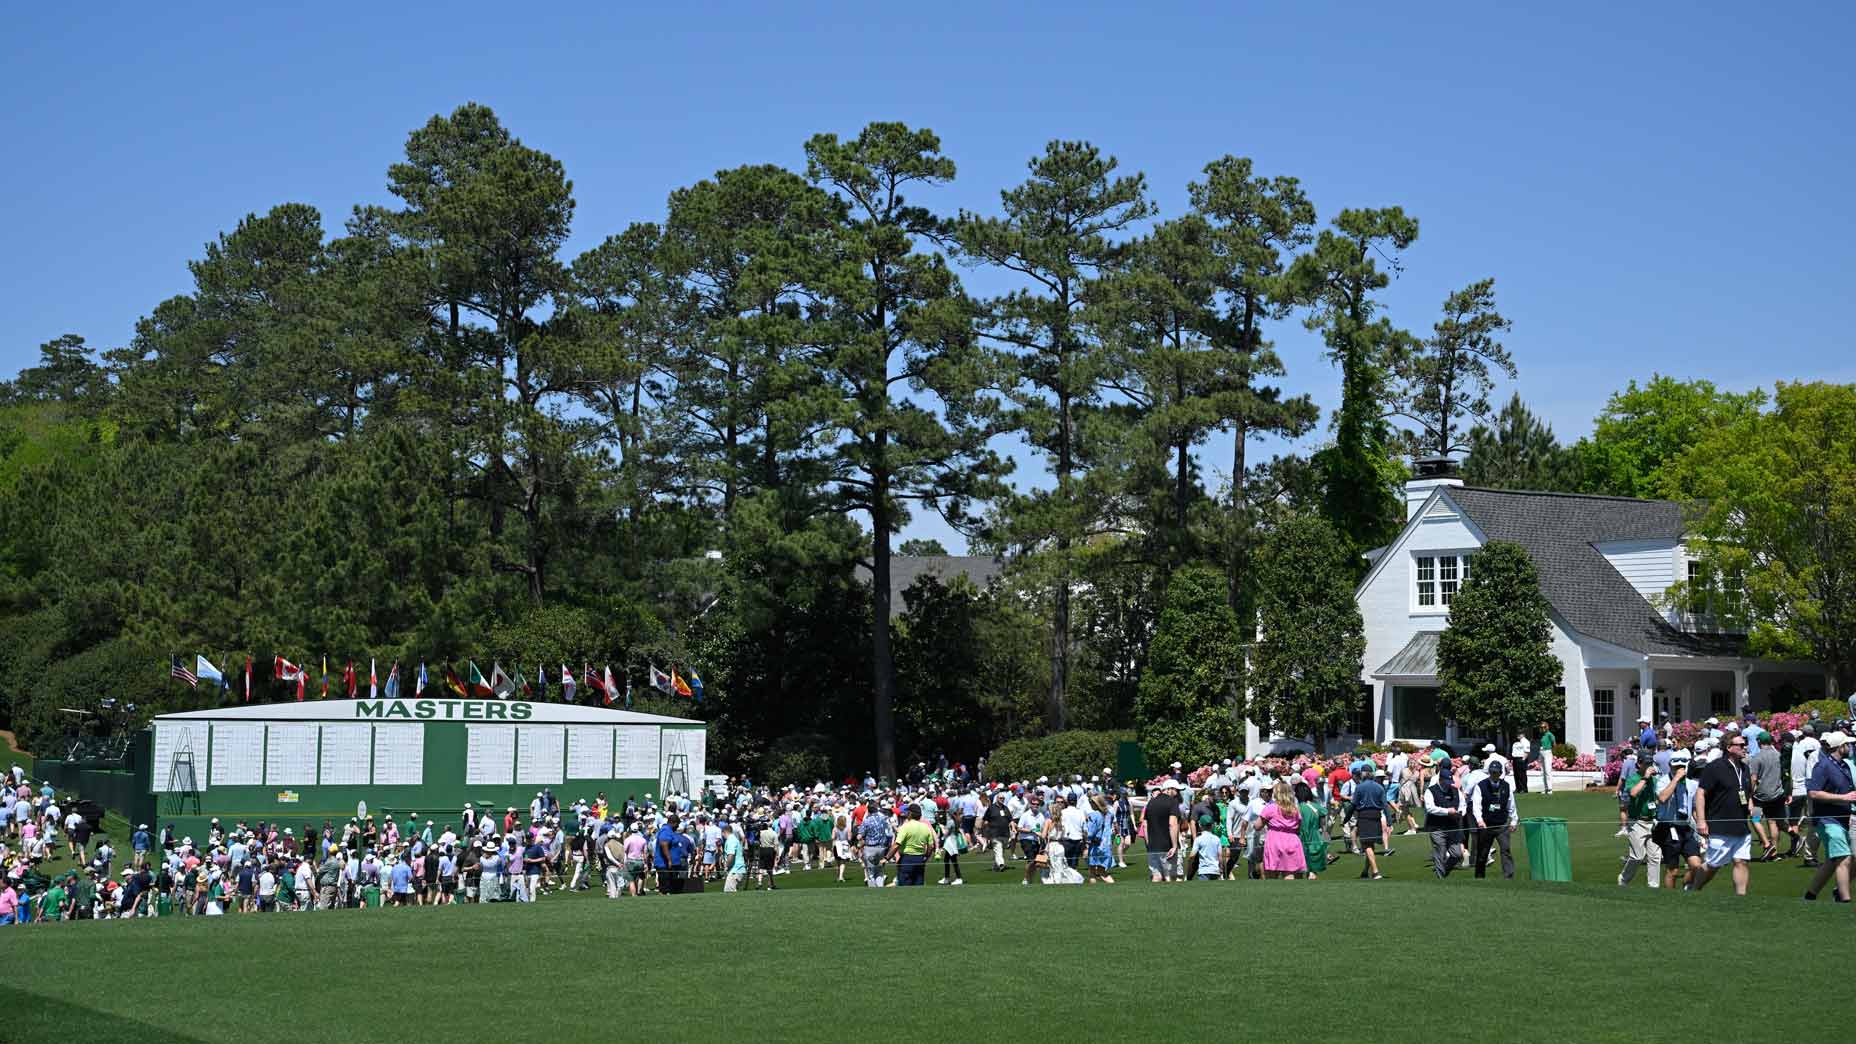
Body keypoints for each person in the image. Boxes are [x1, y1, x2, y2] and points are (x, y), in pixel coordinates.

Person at [1692, 730, 1755, 895]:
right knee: (1713, 864)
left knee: (1741, 861)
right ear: (1729, 747)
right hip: (1720, 825)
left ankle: (1741, 897)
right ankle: (1693, 890)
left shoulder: (1744, 768)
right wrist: (1701, 821)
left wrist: (1750, 803)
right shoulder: (1714, 767)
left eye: (1745, 744)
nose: (1745, 747)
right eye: (1741, 745)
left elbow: (1747, 791)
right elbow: (1700, 793)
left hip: (1741, 825)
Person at [1803, 731, 1856, 903]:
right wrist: (1844, 798)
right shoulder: (1823, 766)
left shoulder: (1844, 766)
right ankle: (1844, 899)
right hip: (1827, 820)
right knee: (1843, 857)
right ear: (1840, 747)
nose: (1850, 747)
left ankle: (1810, 895)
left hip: (1843, 819)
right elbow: (1813, 793)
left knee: (1832, 860)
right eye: (1847, 744)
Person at [1654, 749, 1702, 890]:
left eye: (1681, 766)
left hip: (1686, 827)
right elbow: (1662, 798)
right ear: (1670, 766)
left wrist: (1701, 823)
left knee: (1696, 865)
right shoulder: (1663, 781)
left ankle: (1686, 888)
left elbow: (1694, 808)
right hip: (1668, 828)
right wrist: (1675, 779)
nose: (1679, 769)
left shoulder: (1692, 784)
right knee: (1673, 871)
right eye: (1676, 767)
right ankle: (1670, 897)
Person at [1617, 754, 1662, 888]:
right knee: (1637, 856)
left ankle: (1653, 886)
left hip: (1652, 821)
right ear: (1639, 764)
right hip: (1637, 822)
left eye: (1650, 763)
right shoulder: (1633, 779)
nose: (1649, 766)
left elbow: (1657, 797)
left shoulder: (1654, 780)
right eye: (1646, 763)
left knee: (1655, 856)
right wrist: (1645, 778)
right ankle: (1623, 879)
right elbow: (1633, 793)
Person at [1470, 760, 1517, 879]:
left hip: (1502, 825)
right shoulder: (1480, 786)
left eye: (1496, 772)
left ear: (1500, 773)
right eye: (1492, 772)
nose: (1494, 774)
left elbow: (1511, 805)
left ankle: (1509, 877)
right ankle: (1479, 877)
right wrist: (1480, 820)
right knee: (1482, 853)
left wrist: (1514, 820)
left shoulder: (1506, 786)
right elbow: (1476, 806)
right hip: (1486, 825)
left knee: (1506, 850)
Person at [1748, 730, 1785, 861]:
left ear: (1759, 742)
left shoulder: (1757, 757)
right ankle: (1774, 853)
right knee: (1772, 821)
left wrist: (1750, 794)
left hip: (1760, 796)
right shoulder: (1778, 755)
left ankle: (1767, 844)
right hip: (1776, 794)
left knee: (1755, 819)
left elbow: (1753, 778)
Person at [1424, 762, 1465, 878]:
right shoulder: (1430, 791)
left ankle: (1445, 869)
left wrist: (1461, 812)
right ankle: (1440, 877)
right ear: (1440, 779)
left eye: (1450, 781)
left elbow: (1463, 804)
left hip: (1453, 826)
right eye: (1446, 782)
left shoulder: (1455, 791)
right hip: (1437, 827)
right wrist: (1447, 811)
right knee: (1440, 853)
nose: (1449, 784)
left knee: (1457, 854)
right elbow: (1430, 808)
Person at [1258, 782, 1307, 880]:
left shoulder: (1270, 808)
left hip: (1274, 840)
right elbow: (1298, 827)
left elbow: (1257, 826)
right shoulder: (1295, 809)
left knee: (1272, 872)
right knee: (1290, 871)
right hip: (1292, 839)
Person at [1351, 765, 1387, 880]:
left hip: (1364, 817)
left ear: (1363, 774)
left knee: (1366, 844)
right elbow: (1385, 805)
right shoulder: (1379, 787)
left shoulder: (1359, 787)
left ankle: (1375, 872)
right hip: (1376, 816)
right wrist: (1390, 822)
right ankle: (1365, 871)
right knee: (1370, 845)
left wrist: (1346, 818)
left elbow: (1353, 804)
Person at [1143, 781, 1183, 883]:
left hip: (1153, 847)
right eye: (1176, 790)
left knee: (1156, 877)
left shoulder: (1151, 802)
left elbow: (1145, 825)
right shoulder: (1172, 802)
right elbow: (1172, 824)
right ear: (1169, 789)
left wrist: (1148, 843)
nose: (1177, 793)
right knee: (1171, 878)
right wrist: (1174, 846)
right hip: (1167, 847)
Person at [888, 804, 935, 886]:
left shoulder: (905, 827)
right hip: (920, 858)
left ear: (910, 814)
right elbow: (931, 846)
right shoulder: (925, 827)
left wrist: (887, 857)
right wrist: (926, 856)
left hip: (906, 859)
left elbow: (897, 844)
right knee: (918, 885)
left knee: (905, 886)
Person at [859, 801, 893, 888]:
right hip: (881, 848)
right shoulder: (883, 819)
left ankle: (873, 890)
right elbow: (889, 834)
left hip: (870, 848)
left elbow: (859, 836)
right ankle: (880, 889)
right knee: (880, 871)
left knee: (871, 873)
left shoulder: (866, 821)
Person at [1538, 721, 1556, 794]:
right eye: (1541, 727)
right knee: (1543, 771)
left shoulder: (1549, 734)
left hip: (1547, 752)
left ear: (1547, 727)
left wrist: (1551, 751)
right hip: (1541, 752)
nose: (1543, 728)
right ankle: (1545, 788)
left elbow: (1554, 744)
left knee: (1548, 771)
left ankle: (1550, 789)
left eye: (1544, 727)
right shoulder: (1542, 735)